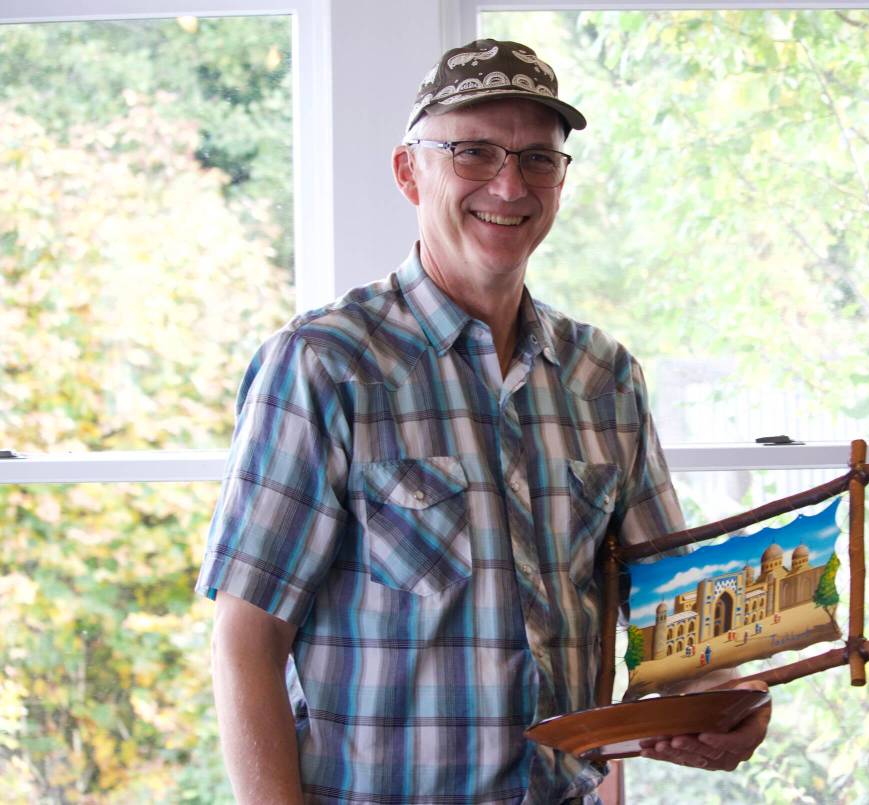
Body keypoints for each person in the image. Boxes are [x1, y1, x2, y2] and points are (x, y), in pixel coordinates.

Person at [196, 38, 770, 804]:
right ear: (411, 171)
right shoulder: (324, 365)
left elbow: (675, 612)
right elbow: (247, 640)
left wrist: (731, 697)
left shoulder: (606, 377)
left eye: (539, 158)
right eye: (474, 152)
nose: (510, 184)